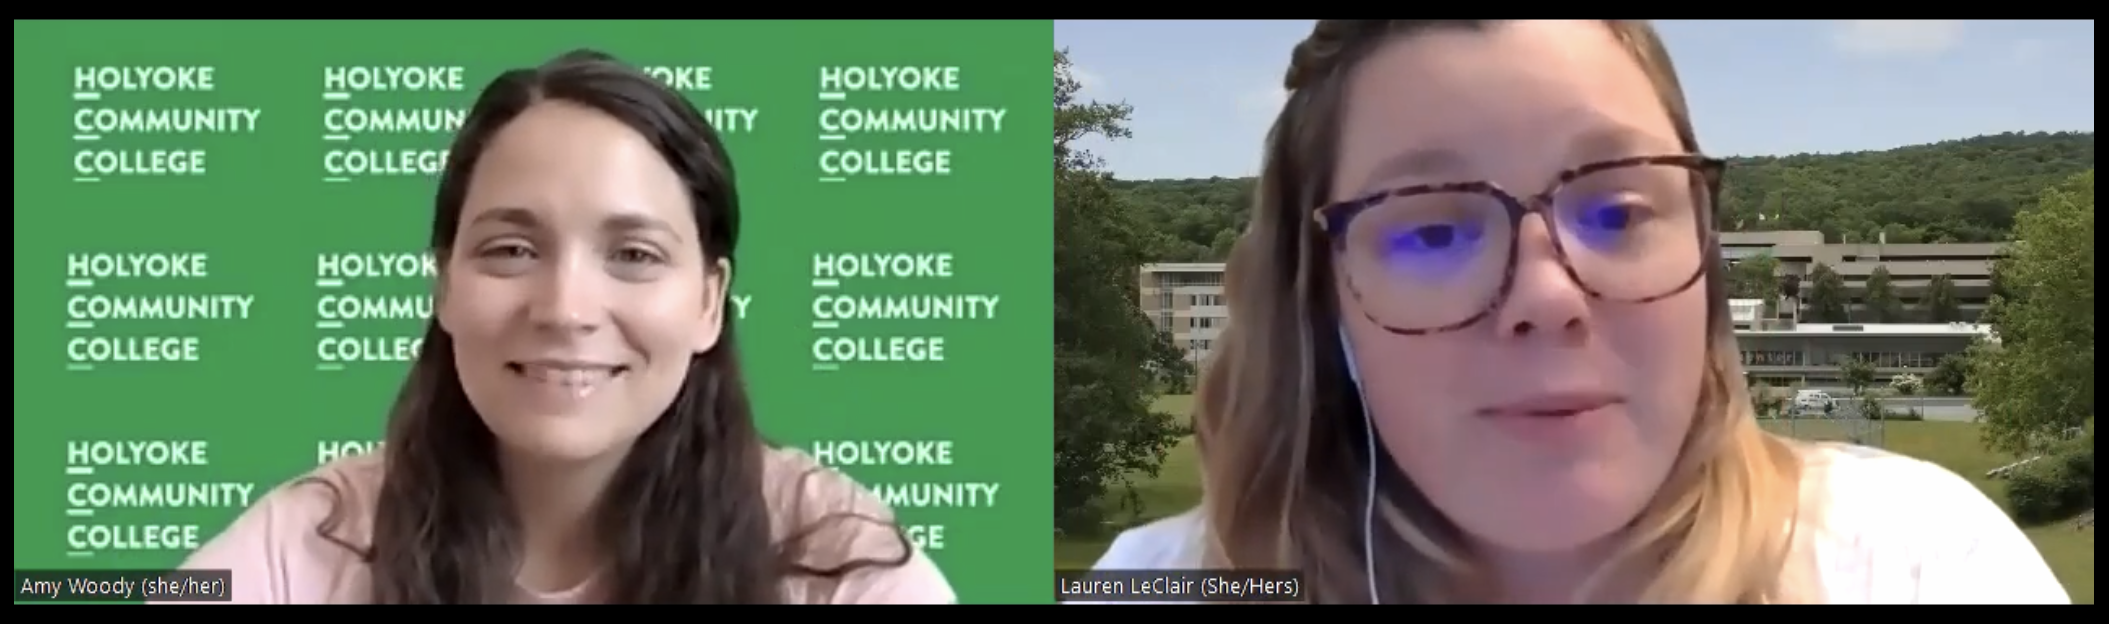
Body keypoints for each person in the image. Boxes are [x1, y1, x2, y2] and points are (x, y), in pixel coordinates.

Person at [1090, 20, 2068, 605]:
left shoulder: (1918, 562)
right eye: (1431, 233)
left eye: (1616, 209)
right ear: (1318, 302)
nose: (1548, 297)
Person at [168, 50, 955, 604]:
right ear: (444, 284)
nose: (565, 308)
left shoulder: (837, 564)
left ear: (709, 301)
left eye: (634, 254)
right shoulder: (303, 549)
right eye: (510, 249)